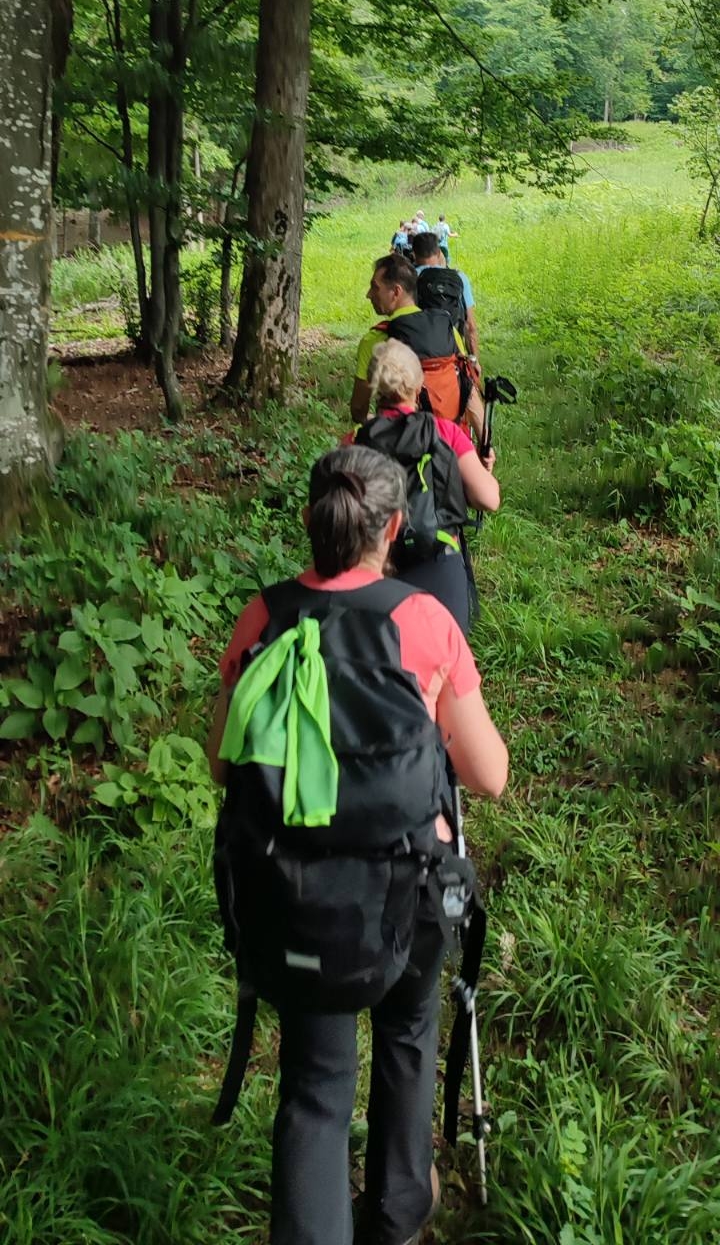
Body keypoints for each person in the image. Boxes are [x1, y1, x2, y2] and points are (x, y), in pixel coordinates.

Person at [209, 445, 508, 1245]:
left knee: (314, 1085)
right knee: (407, 1038)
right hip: (408, 888)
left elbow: (221, 762)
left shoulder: (263, 617)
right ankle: (398, 1214)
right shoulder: (424, 621)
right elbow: (489, 775)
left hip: (296, 896)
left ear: (311, 521)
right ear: (396, 528)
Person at [355, 341, 499, 632]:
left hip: (376, 569)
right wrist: (482, 472)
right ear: (419, 385)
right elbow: (489, 499)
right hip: (439, 563)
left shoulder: (356, 441)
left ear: (374, 387)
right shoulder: (444, 432)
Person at [351, 254, 484, 434]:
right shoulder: (447, 329)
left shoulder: (375, 340)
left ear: (396, 292)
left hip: (404, 440)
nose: (369, 294)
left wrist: (374, 422)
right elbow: (469, 389)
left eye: (375, 287)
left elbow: (359, 408)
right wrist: (485, 442)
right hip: (451, 437)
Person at [413, 231, 480, 362]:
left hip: (419, 356)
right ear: (439, 253)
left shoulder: (409, 278)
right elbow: (470, 326)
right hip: (453, 354)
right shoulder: (459, 277)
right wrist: (474, 361)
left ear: (414, 255)